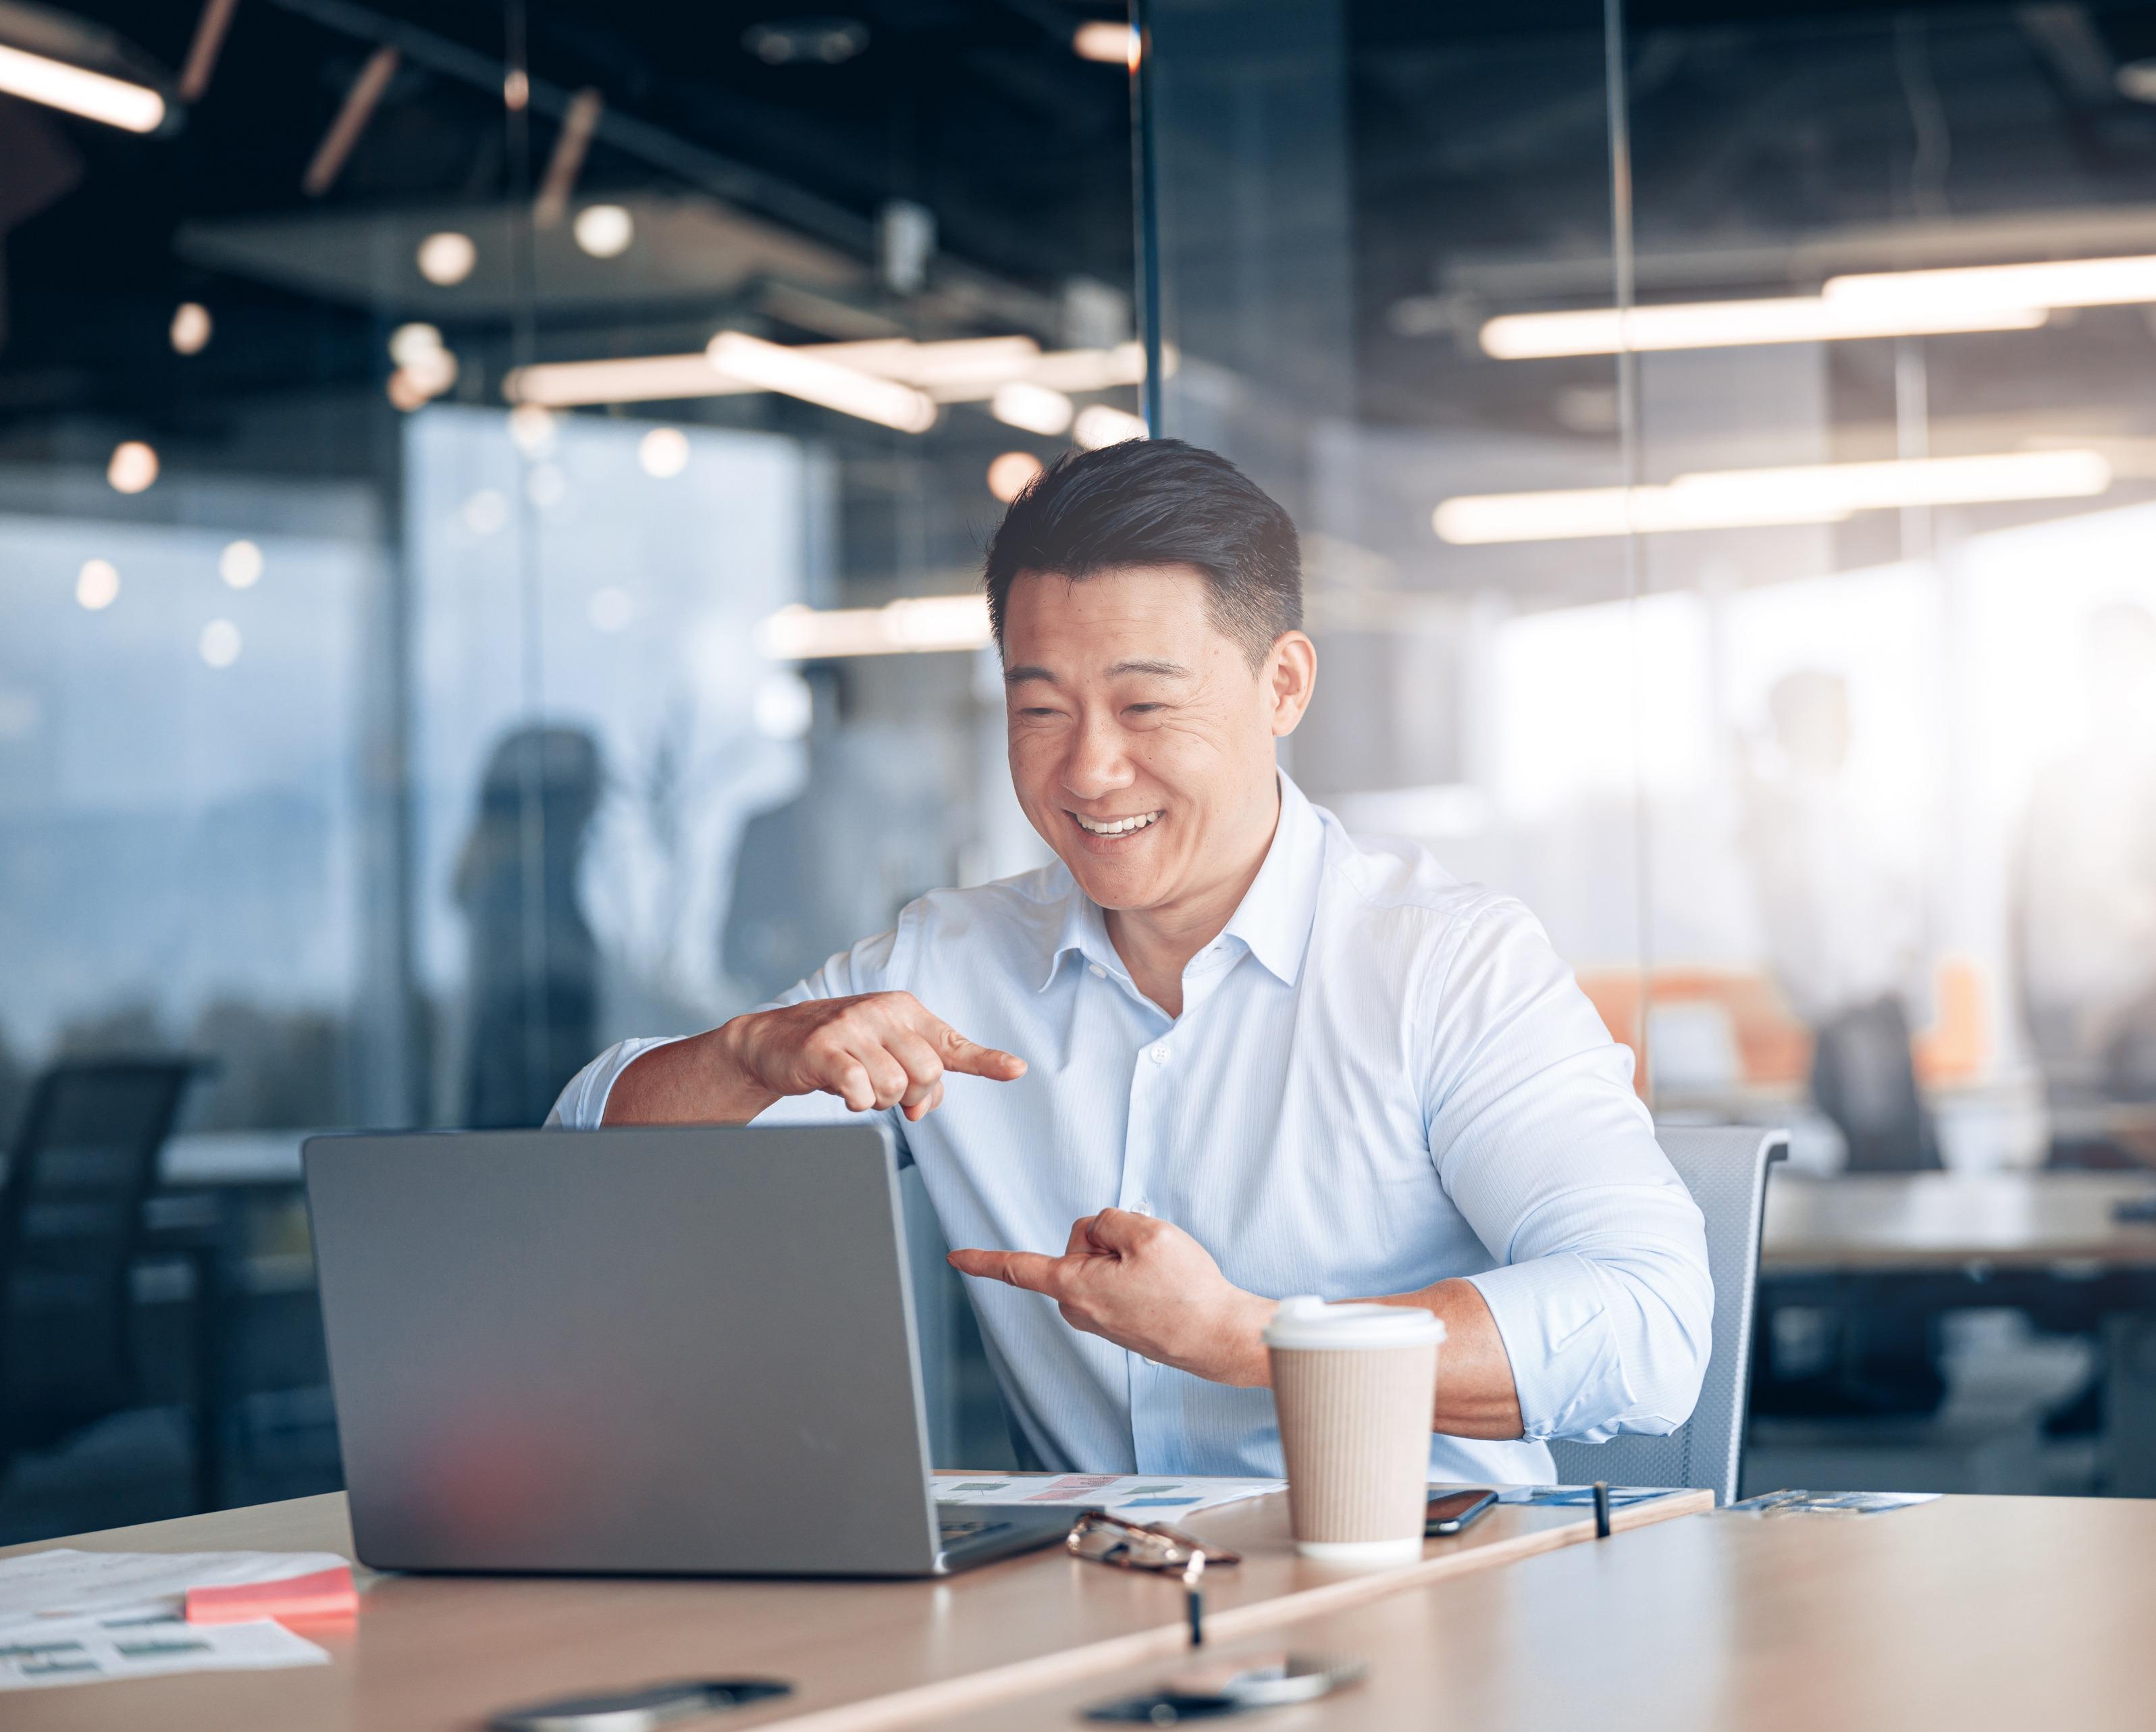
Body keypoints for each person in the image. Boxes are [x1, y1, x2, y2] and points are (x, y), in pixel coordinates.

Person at [549, 439, 1711, 1483]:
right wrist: (750, 1055)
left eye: (1145, 706)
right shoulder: (943, 962)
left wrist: (1250, 1340)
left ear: (1284, 685)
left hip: (1429, 1605)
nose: (1089, 770)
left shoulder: (1445, 963)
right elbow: (580, 1190)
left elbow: (1650, 1324)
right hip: (1082, 1617)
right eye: (1040, 710)